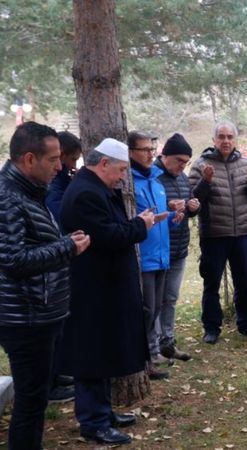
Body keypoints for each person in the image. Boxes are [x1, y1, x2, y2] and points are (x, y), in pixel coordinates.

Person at [60, 138, 158, 445]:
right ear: (103, 164)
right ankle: (93, 422)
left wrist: (136, 224)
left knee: (102, 352)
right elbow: (106, 235)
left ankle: (102, 412)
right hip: (93, 288)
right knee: (91, 354)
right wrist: (140, 225)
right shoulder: (87, 193)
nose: (121, 178)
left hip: (103, 285)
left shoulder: (94, 188)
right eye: (120, 170)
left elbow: (111, 229)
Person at [0, 122, 90, 449]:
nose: (60, 165)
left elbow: (30, 244)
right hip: (24, 318)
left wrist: (63, 241)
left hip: (40, 313)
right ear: (28, 159)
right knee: (31, 400)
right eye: (53, 159)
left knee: (35, 399)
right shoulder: (8, 198)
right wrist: (67, 248)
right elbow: (12, 260)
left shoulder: (30, 192)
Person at [189, 120, 247, 345]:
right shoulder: (200, 165)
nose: (225, 141)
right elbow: (192, 200)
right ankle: (212, 327)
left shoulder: (246, 163)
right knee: (211, 283)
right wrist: (206, 181)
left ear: (235, 140)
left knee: (242, 281)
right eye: (221, 137)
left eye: (229, 137)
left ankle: (246, 323)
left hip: (241, 232)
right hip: (214, 233)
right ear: (214, 140)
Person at [129, 131, 176, 380]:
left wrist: (174, 219)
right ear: (130, 153)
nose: (150, 154)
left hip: (161, 257)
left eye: (151, 148)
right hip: (143, 258)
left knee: (155, 308)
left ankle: (150, 357)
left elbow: (158, 223)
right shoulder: (128, 183)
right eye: (144, 149)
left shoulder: (157, 182)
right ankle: (142, 360)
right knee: (145, 310)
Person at [45, 130, 83, 402]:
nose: (67, 165)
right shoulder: (53, 184)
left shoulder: (62, 178)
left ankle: (59, 372)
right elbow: (59, 215)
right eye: (70, 159)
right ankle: (51, 382)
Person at [155, 133, 199, 362]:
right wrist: (167, 206)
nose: (183, 166)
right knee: (155, 301)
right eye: (180, 160)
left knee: (170, 298)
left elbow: (189, 204)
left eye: (186, 162)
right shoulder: (153, 177)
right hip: (159, 248)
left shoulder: (182, 178)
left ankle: (168, 342)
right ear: (166, 156)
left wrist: (193, 206)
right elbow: (147, 208)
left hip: (179, 247)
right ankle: (154, 347)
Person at [46, 130, 83, 227]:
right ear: (61, 155)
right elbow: (59, 211)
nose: (74, 166)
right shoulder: (52, 179)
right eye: (73, 159)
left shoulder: (64, 174)